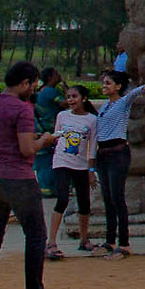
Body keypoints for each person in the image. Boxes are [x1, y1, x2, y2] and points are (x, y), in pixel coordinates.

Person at [0, 60, 70, 289]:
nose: (35, 87)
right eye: (33, 83)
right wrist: (45, 140)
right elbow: (27, 149)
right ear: (25, 83)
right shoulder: (22, 109)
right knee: (36, 235)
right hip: (18, 178)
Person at [91, 67, 145, 258]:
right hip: (104, 153)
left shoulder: (122, 103)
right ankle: (110, 240)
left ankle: (124, 243)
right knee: (107, 198)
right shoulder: (104, 108)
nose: (104, 86)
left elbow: (133, 94)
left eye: (108, 83)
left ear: (118, 86)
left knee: (117, 197)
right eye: (103, 83)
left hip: (118, 153)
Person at [48, 85, 100, 256]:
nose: (70, 100)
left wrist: (91, 170)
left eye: (74, 96)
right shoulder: (62, 116)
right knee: (62, 198)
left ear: (83, 98)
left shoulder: (92, 120)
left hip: (80, 164)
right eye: (68, 97)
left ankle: (84, 239)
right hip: (62, 162)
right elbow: (57, 137)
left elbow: (92, 147)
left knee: (84, 202)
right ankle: (51, 241)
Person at [32, 67, 65, 228]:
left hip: (40, 130)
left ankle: (45, 187)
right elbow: (66, 103)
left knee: (43, 160)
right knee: (48, 160)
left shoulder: (41, 91)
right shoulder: (51, 92)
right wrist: (67, 90)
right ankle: (48, 188)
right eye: (57, 74)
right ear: (52, 76)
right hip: (49, 130)